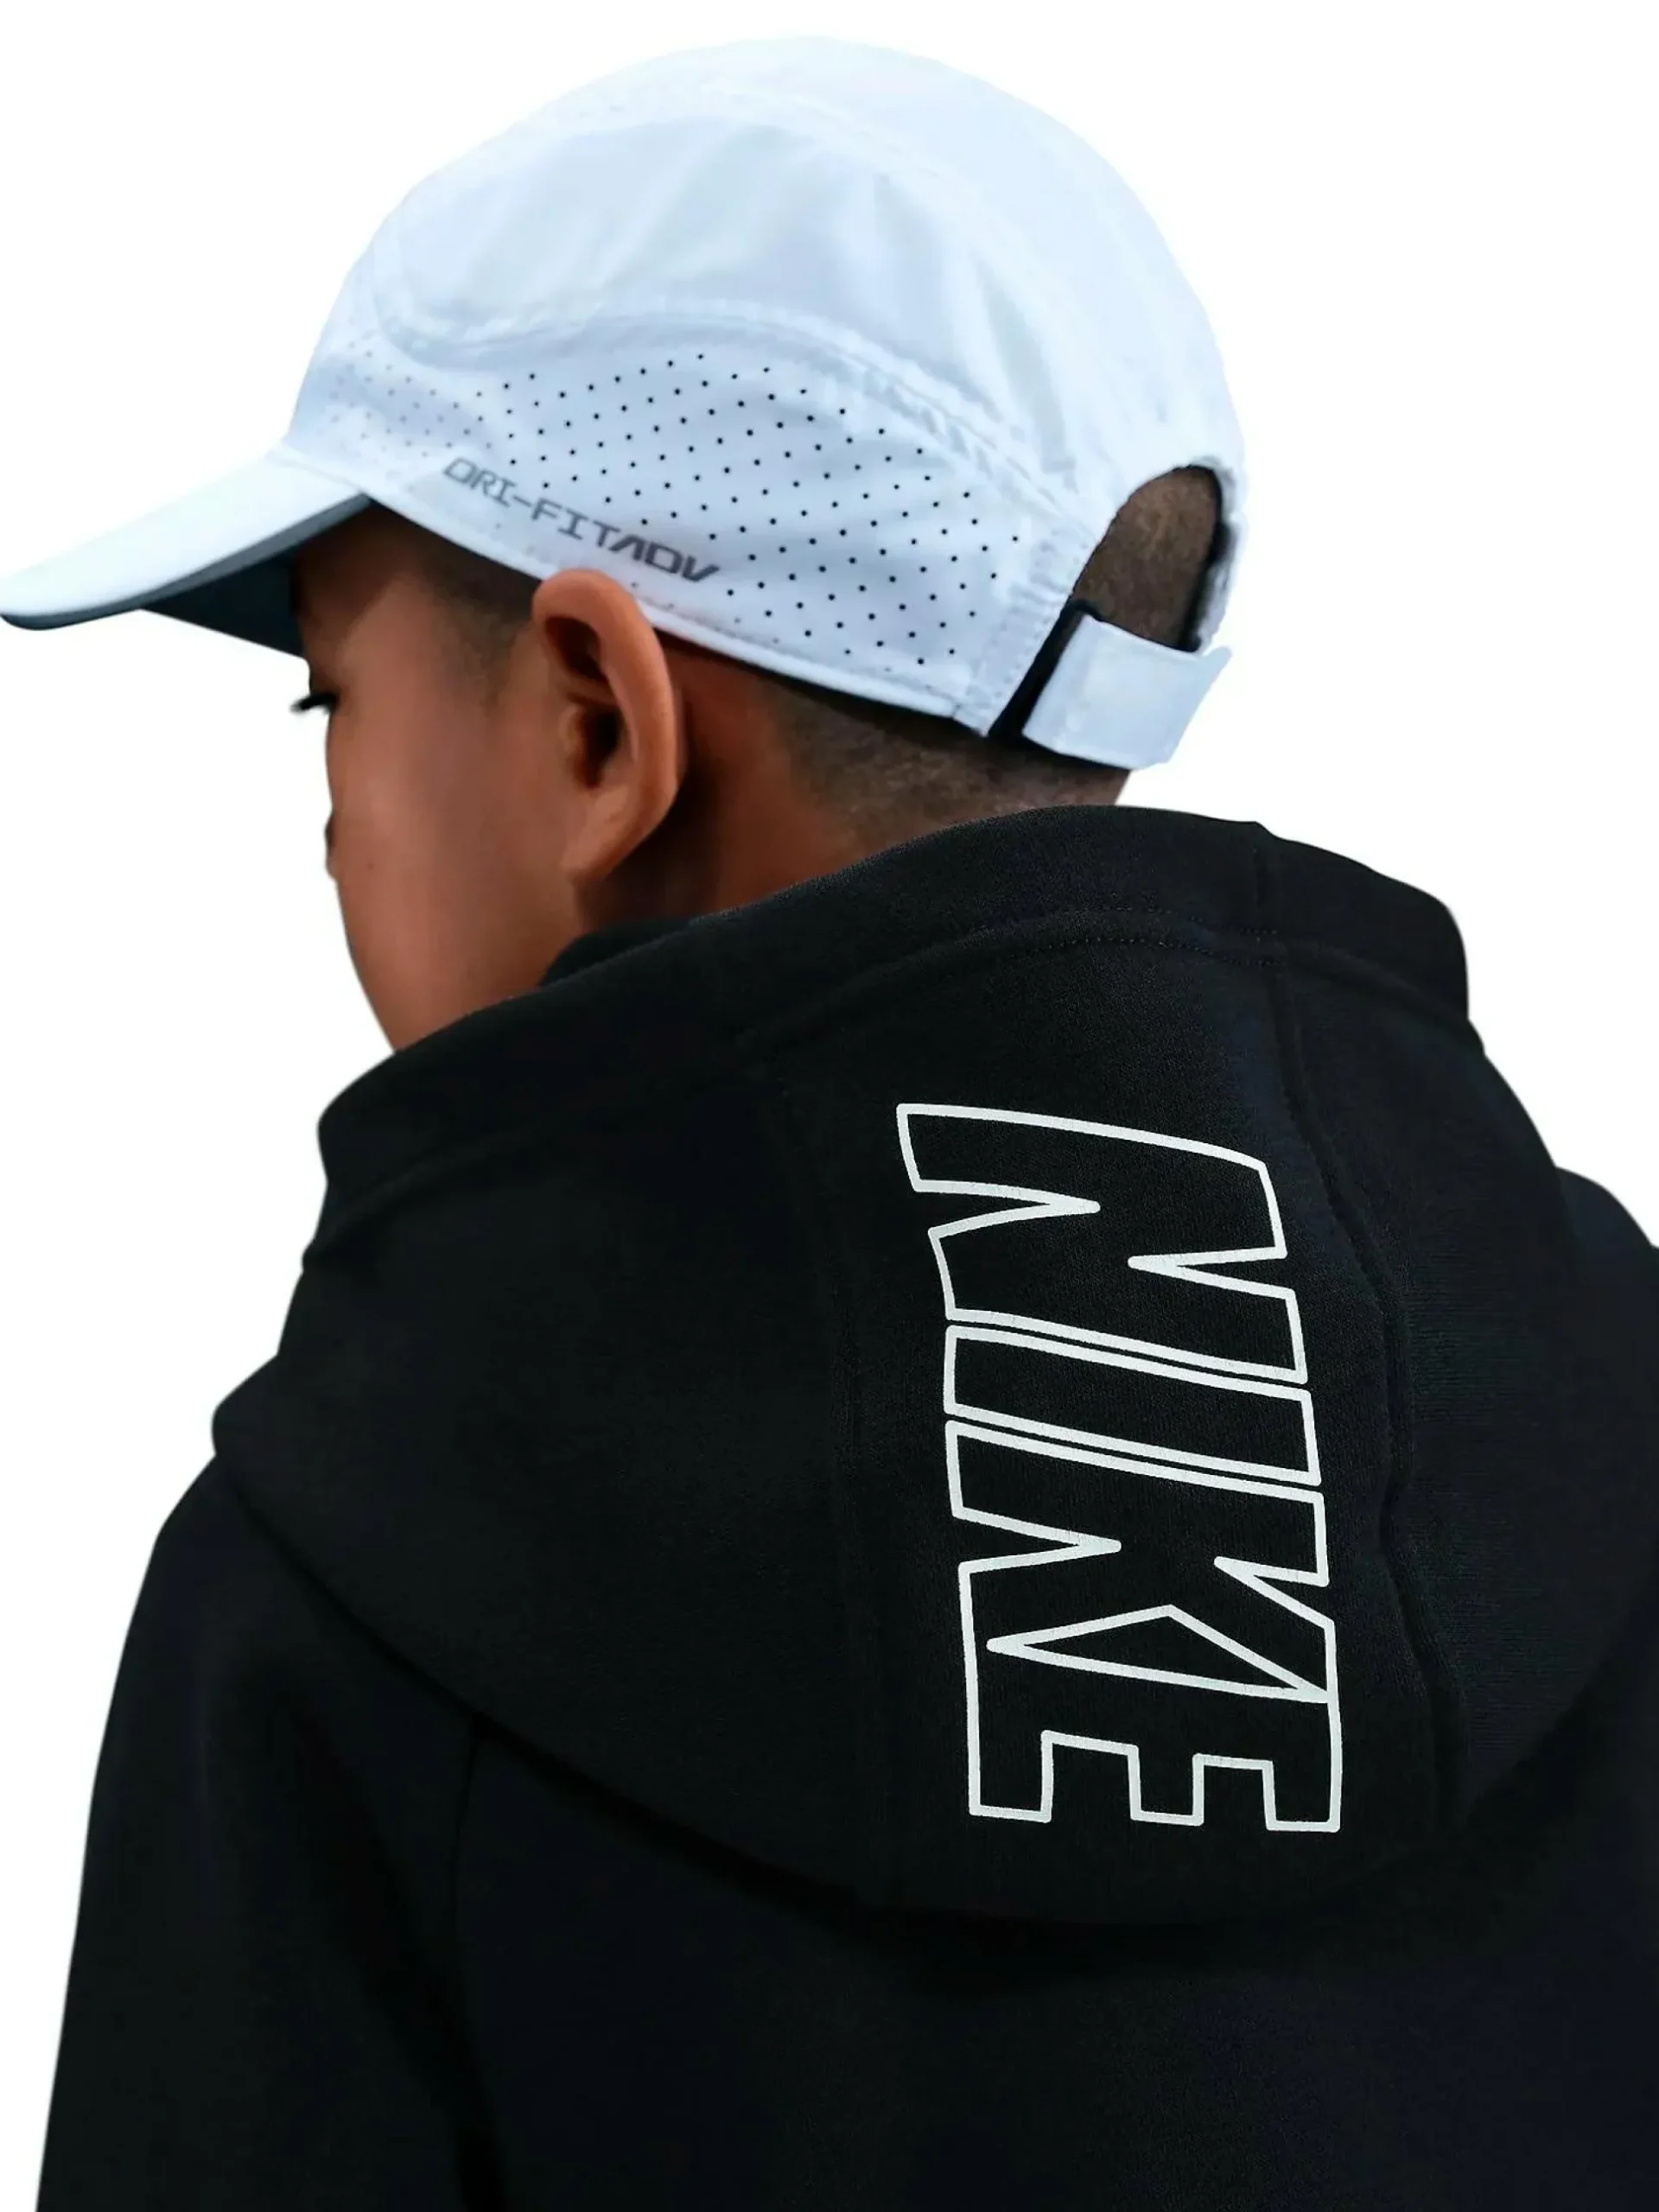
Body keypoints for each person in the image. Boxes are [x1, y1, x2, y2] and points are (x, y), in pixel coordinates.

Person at [4, 35, 1656, 2212]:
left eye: (331, 696)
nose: (324, 818)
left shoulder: (348, 1579)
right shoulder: (1599, 1403)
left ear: (596, 721)